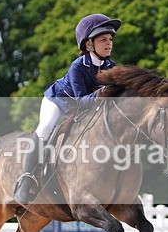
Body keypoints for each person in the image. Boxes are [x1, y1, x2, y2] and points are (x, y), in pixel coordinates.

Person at [13, 13, 122, 205]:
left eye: (110, 39)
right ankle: (26, 178)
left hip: (85, 106)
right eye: (103, 39)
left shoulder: (111, 66)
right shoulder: (77, 67)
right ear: (89, 44)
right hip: (59, 100)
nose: (109, 43)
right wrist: (102, 94)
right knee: (45, 128)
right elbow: (80, 102)